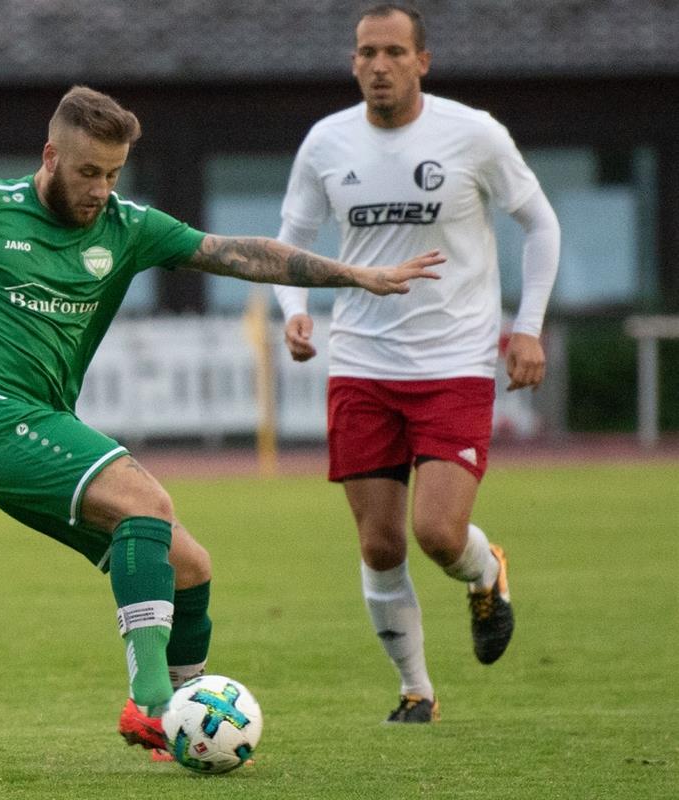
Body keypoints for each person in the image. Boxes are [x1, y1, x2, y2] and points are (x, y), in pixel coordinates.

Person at [0, 86, 443, 757]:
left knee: (188, 565)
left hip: (39, 422)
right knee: (148, 502)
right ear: (51, 156)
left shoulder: (128, 227)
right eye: (88, 172)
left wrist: (354, 275)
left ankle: (183, 724)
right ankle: (152, 703)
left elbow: (239, 253)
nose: (100, 190)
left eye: (113, 174)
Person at [271, 4, 560, 723]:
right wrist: (293, 310)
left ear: (422, 61)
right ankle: (416, 691)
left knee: (436, 532)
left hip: (455, 362)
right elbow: (290, 241)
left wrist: (527, 328)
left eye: (395, 52)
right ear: (353, 63)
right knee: (379, 543)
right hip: (362, 365)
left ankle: (485, 569)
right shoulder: (326, 142)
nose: (379, 65)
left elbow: (541, 223)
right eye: (367, 53)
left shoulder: (473, 134)